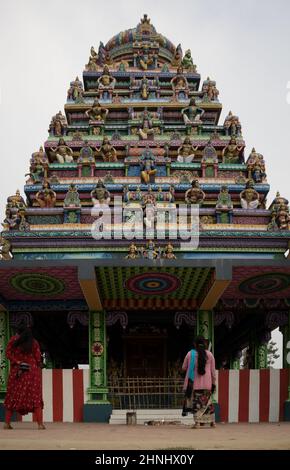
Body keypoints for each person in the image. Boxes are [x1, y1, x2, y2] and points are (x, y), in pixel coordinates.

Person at [3, 325, 45, 430]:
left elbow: (8, 353)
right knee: (35, 397)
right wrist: (39, 364)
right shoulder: (34, 342)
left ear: (19, 332)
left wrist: (16, 361)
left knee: (12, 396)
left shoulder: (13, 340)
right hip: (32, 372)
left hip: (17, 372)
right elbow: (38, 357)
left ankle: (7, 423)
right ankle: (40, 424)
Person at [182, 335, 216, 428]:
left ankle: (197, 423)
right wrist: (213, 383)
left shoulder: (190, 354)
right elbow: (213, 372)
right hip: (207, 384)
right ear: (205, 344)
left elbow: (184, 367)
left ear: (194, 344)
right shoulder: (210, 355)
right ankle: (212, 422)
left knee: (196, 403)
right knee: (208, 403)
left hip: (194, 384)